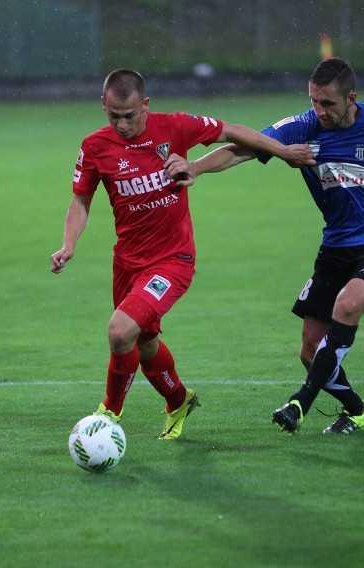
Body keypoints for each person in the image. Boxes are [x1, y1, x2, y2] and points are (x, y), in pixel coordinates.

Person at [50, 69, 313, 440]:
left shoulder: (175, 127)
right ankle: (178, 400)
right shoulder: (94, 146)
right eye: (113, 116)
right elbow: (81, 200)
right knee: (142, 343)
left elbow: (233, 131)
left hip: (173, 261)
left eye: (130, 115)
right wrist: (69, 245)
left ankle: (109, 413)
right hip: (127, 261)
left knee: (119, 331)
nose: (122, 124)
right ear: (104, 107)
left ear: (146, 105)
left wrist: (283, 151)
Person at [165, 58, 364, 435]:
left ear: (352, 98)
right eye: (314, 101)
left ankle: (301, 402)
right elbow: (243, 147)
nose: (320, 111)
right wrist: (197, 167)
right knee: (309, 351)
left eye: (328, 104)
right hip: (336, 247)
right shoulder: (302, 127)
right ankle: (355, 410)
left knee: (348, 305)